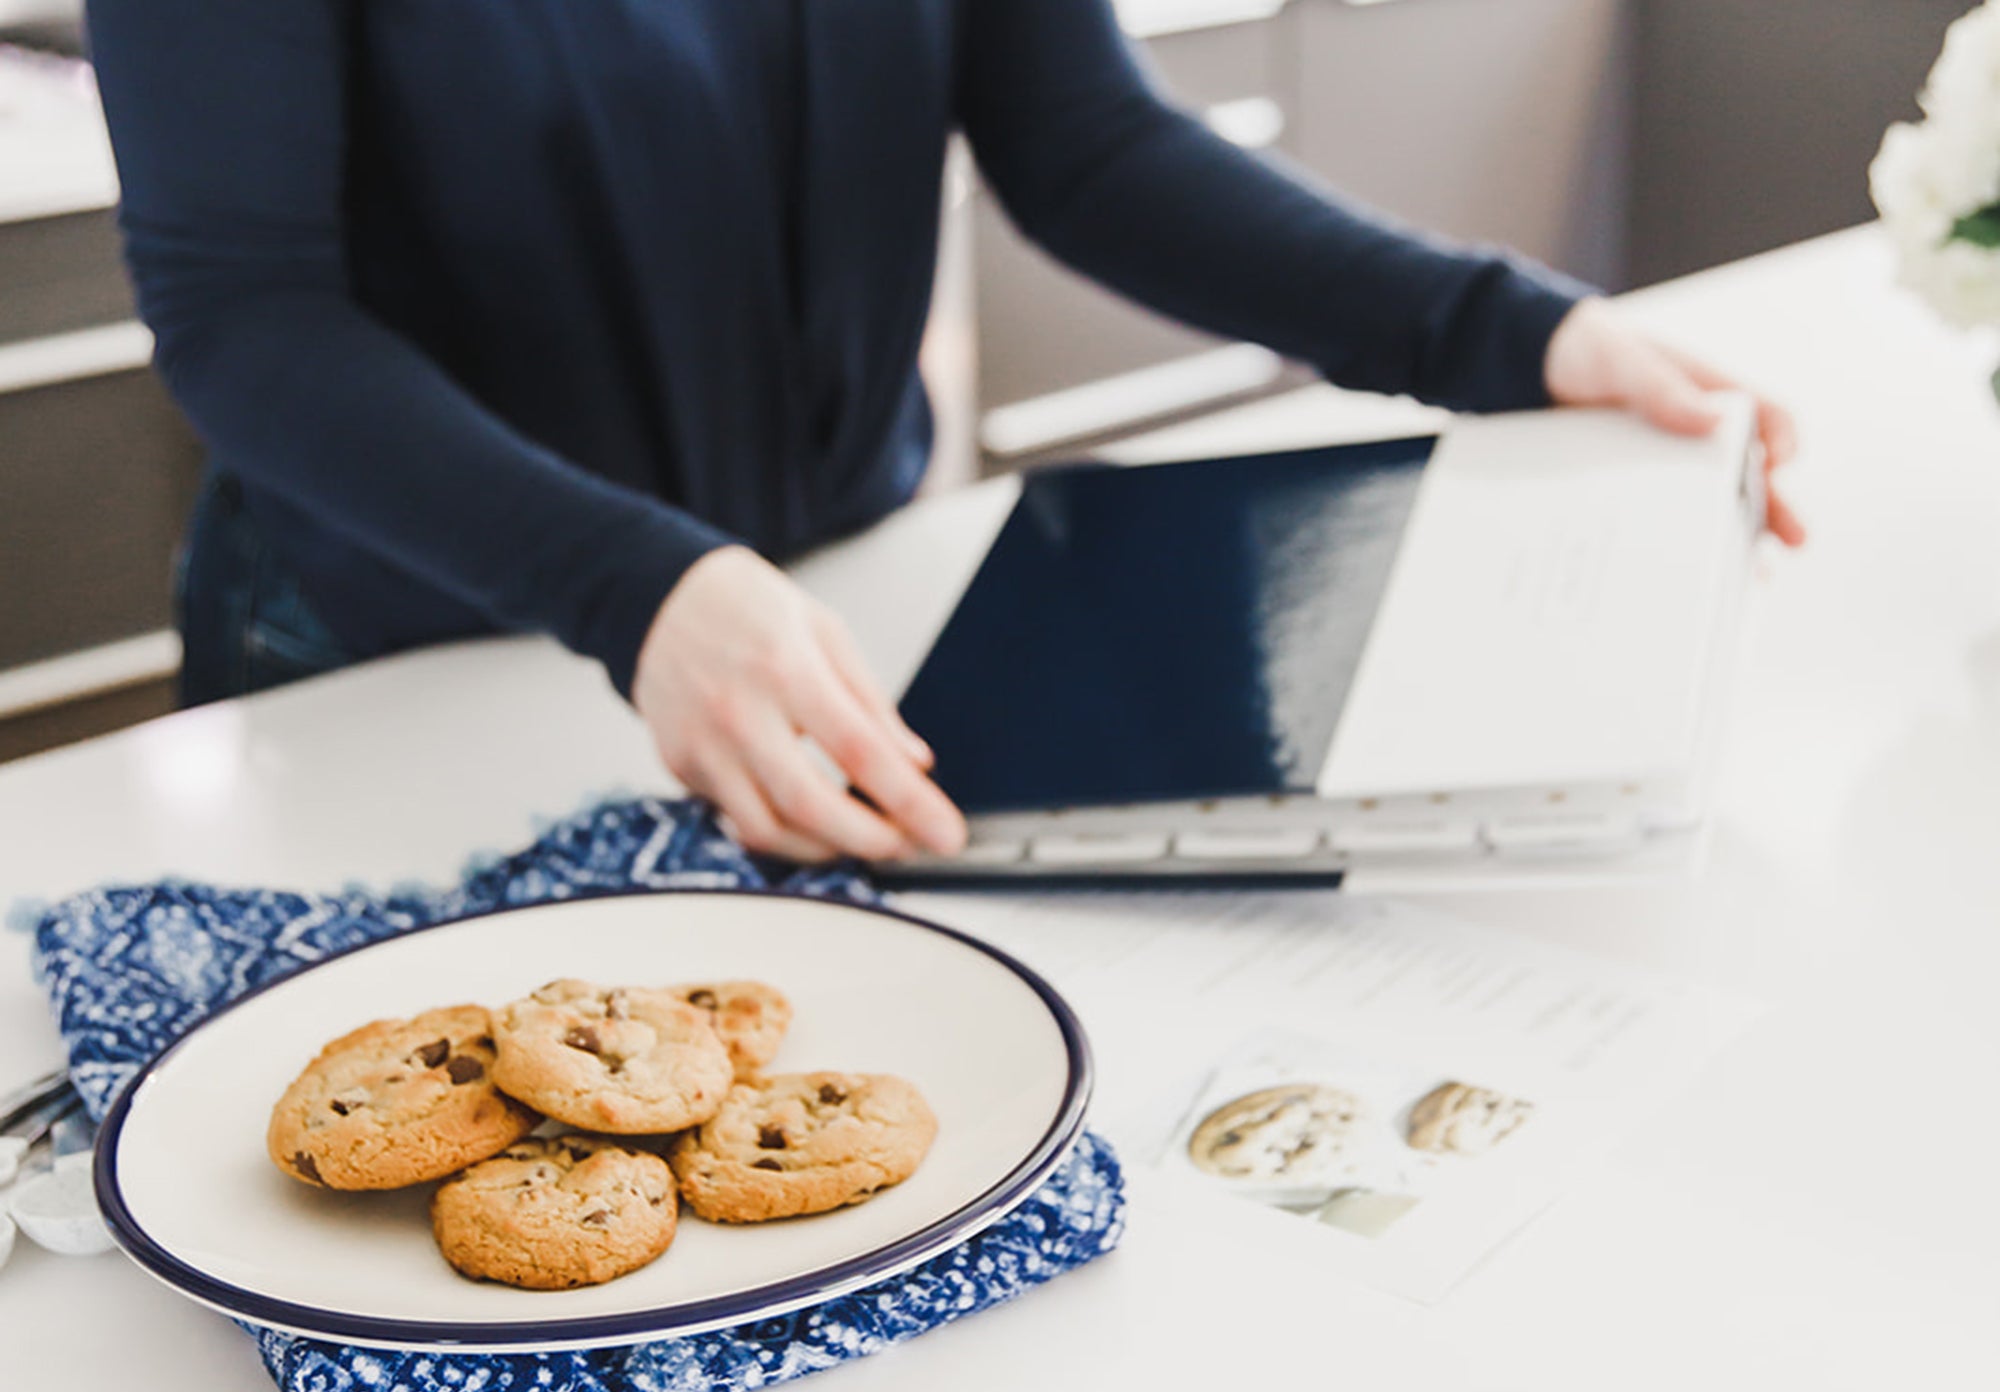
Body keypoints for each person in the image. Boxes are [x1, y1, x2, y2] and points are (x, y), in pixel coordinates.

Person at [87, 1, 1801, 864]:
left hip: (831, 600)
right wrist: (643, 590)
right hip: (411, 637)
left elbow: (1083, 144)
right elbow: (244, 309)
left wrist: (1512, 332)